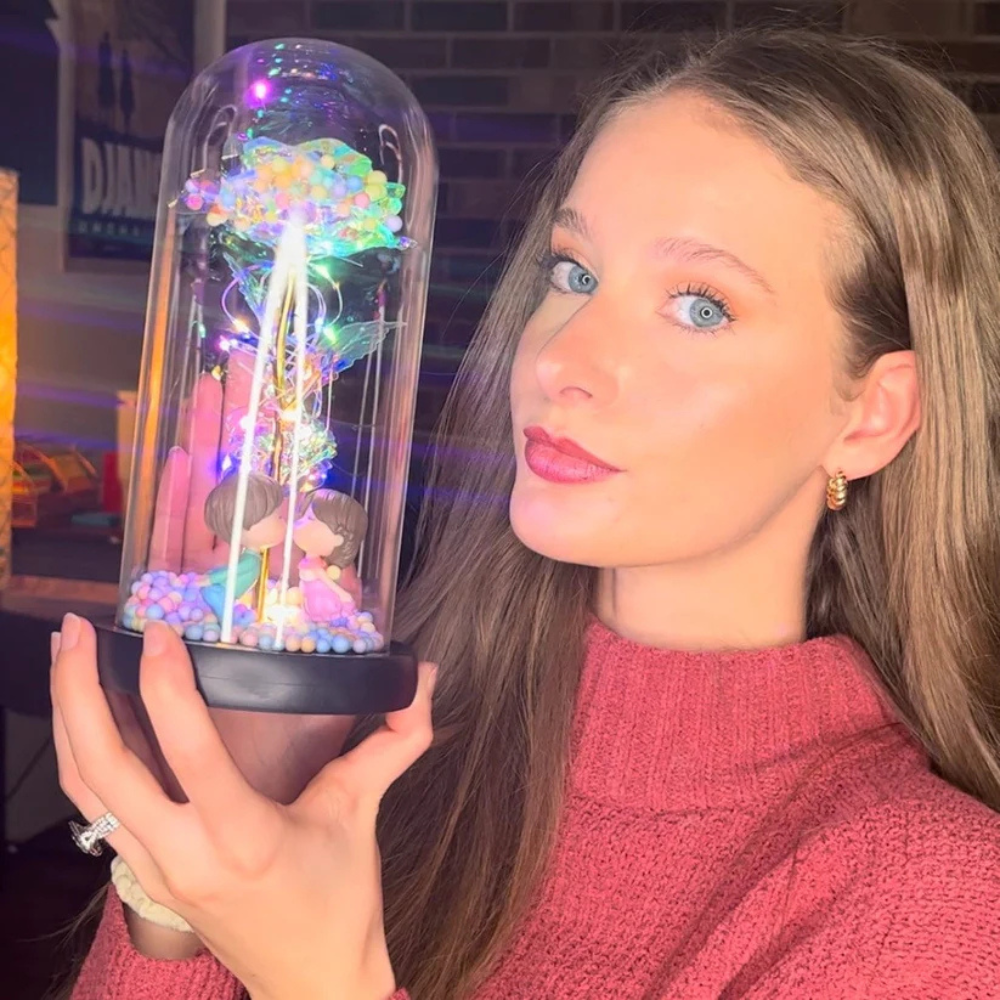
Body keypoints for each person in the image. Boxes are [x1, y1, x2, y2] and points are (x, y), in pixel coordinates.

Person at [52, 28, 1000, 1000]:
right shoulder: (392, 749)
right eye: (574, 273)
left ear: (870, 415)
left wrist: (322, 978)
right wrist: (196, 863)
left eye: (700, 306)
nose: (560, 359)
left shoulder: (939, 906)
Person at [200, 471, 285, 623]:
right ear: (248, 523)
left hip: (223, 593)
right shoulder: (250, 561)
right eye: (278, 517)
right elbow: (233, 571)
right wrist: (210, 579)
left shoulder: (251, 557)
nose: (284, 522)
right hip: (219, 594)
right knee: (226, 620)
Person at [294, 488, 368, 620]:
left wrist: (343, 595)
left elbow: (328, 582)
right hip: (310, 601)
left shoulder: (316, 566)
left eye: (310, 518)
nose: (299, 522)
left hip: (321, 602)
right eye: (302, 515)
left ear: (338, 539)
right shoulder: (308, 562)